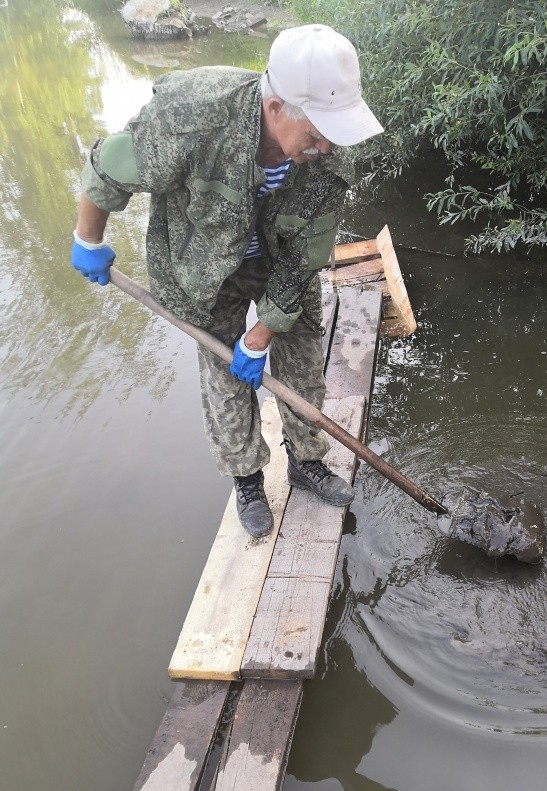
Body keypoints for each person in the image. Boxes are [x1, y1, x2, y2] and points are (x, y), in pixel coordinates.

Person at [71, 24, 384, 538]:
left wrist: (260, 336)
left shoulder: (332, 151)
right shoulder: (192, 117)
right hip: (205, 267)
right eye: (315, 134)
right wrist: (88, 238)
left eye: (335, 132)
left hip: (281, 260)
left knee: (303, 358)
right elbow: (108, 169)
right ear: (276, 107)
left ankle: (306, 461)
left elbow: (306, 254)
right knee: (224, 373)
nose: (327, 145)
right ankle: (248, 479)